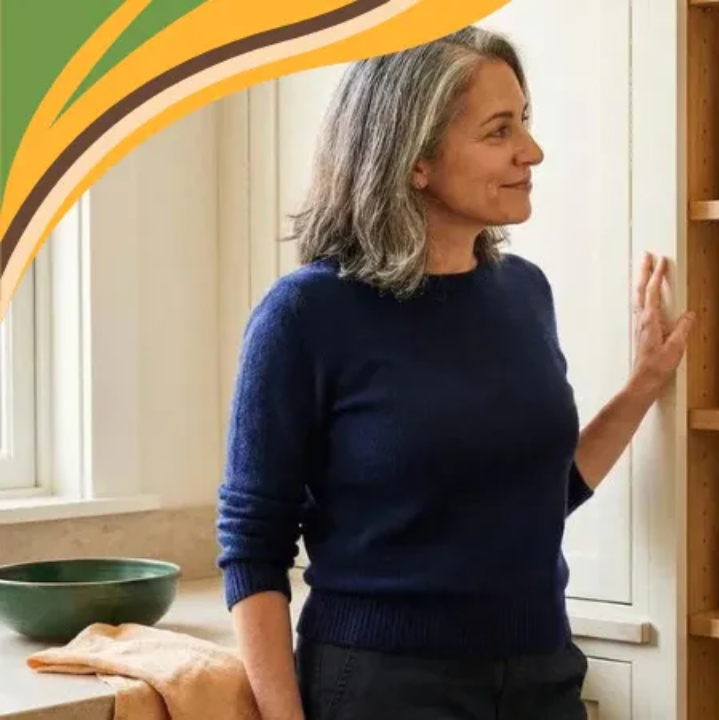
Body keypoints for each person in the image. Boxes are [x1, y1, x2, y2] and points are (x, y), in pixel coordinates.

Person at [215, 26, 693, 720]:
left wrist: (645, 383)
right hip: (385, 689)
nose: (532, 151)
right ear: (416, 161)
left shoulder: (525, 293)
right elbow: (253, 547)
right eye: (500, 131)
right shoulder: (305, 315)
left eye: (524, 122)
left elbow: (537, 496)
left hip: (544, 676)